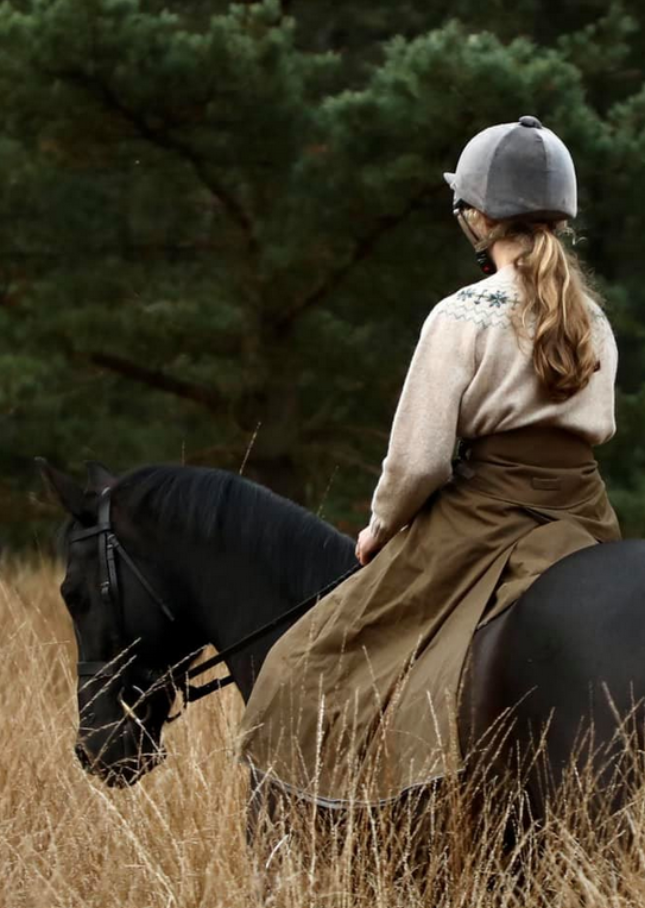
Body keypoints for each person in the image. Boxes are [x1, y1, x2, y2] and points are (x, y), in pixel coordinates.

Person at [238, 115, 621, 806]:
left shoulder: (462, 313)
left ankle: (361, 809)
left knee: (311, 657)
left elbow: (418, 461)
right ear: (560, 215)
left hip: (487, 513)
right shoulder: (593, 317)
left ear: (476, 217)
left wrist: (380, 527)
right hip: (582, 510)